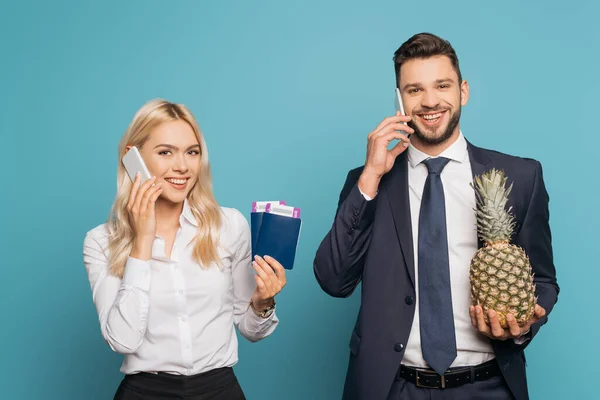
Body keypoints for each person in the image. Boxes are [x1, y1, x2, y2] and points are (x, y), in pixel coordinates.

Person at [313, 33, 559, 400]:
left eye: (442, 85)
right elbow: (334, 280)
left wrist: (520, 325)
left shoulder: (519, 178)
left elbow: (542, 278)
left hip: (489, 386)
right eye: (414, 90)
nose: (430, 101)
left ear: (463, 91)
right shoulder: (367, 182)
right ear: (399, 99)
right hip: (392, 389)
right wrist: (369, 177)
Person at [83, 99, 286, 400]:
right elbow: (122, 341)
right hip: (144, 393)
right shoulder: (101, 241)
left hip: (220, 390)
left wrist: (263, 302)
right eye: (166, 152)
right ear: (132, 157)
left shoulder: (228, 225)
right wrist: (142, 241)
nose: (182, 166)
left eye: (192, 152)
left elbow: (251, 330)